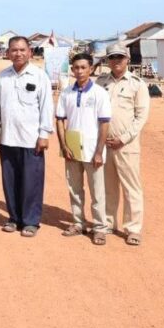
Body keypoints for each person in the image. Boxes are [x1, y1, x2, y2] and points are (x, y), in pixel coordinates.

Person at [0, 35, 54, 237]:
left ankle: (30, 221)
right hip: (7, 138)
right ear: (8, 53)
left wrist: (44, 134)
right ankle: (14, 218)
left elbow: (46, 106)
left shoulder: (39, 76)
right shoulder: (2, 77)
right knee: (10, 181)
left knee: (32, 182)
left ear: (30, 52)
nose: (18, 53)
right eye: (14, 50)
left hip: (31, 139)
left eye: (22, 50)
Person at [96, 43, 150, 246]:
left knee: (131, 188)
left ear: (127, 59)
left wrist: (124, 138)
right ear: (107, 60)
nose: (116, 60)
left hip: (127, 145)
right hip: (104, 144)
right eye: (112, 57)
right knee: (107, 186)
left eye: (120, 56)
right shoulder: (101, 82)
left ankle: (133, 229)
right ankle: (108, 223)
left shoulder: (137, 84)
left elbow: (141, 117)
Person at [56, 52, 111, 245]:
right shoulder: (66, 93)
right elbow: (60, 120)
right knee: (75, 189)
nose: (79, 71)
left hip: (93, 149)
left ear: (91, 69)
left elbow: (104, 124)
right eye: (76, 68)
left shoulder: (99, 93)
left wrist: (99, 152)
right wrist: (64, 146)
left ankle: (100, 228)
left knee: (97, 192)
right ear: (72, 70)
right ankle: (78, 223)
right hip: (72, 149)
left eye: (83, 67)